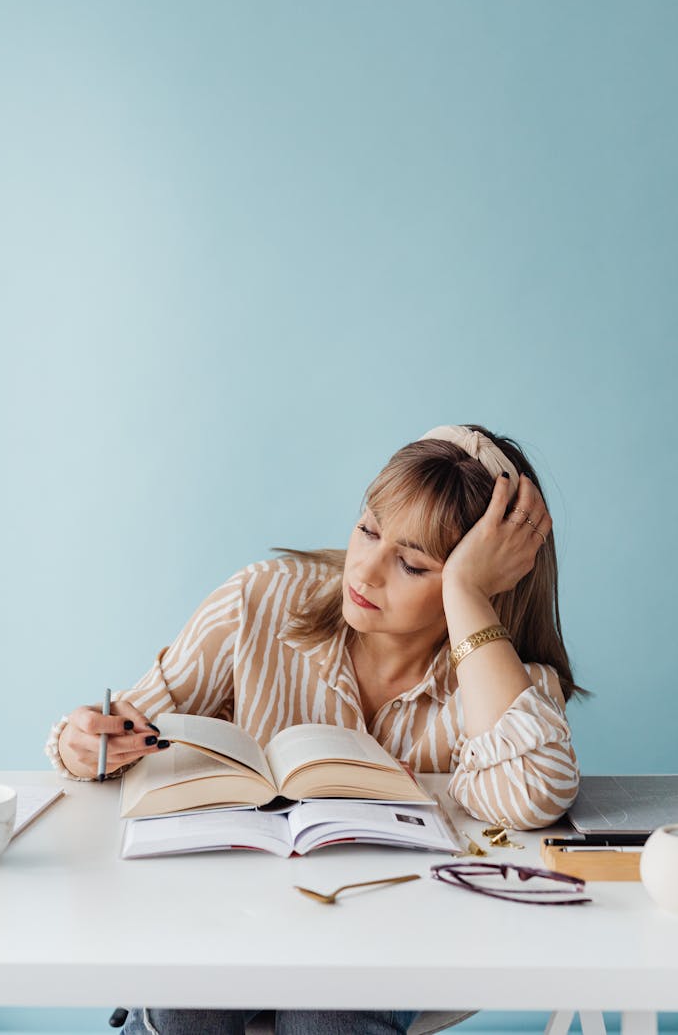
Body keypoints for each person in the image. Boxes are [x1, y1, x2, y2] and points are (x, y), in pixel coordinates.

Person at [46, 424, 583, 1035]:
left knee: (328, 1008)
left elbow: (535, 795)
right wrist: (85, 742)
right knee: (187, 994)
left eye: (412, 564)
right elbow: (127, 731)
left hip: (397, 931)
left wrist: (465, 594)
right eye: (368, 529)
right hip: (229, 913)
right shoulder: (259, 601)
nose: (367, 570)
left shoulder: (503, 685)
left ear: (491, 578)